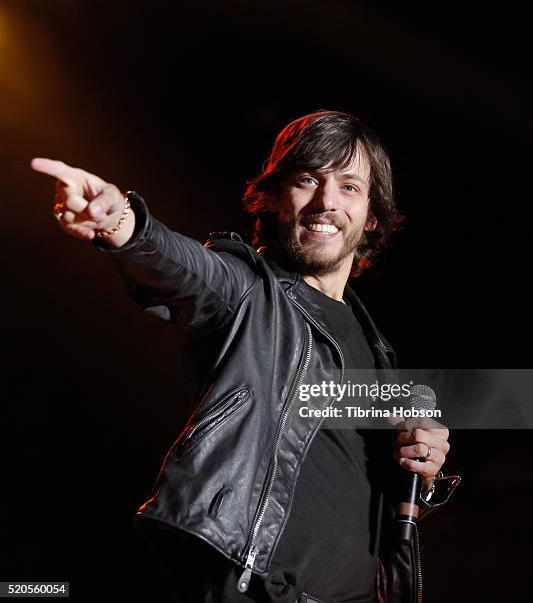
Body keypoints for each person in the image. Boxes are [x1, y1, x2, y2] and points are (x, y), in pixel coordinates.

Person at [31, 110, 460, 603]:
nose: (326, 201)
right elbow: (188, 268)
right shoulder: (252, 294)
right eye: (306, 180)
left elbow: (354, 490)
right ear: (275, 196)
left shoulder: (377, 347)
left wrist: (421, 475)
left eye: (349, 187)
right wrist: (122, 223)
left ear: (372, 216)